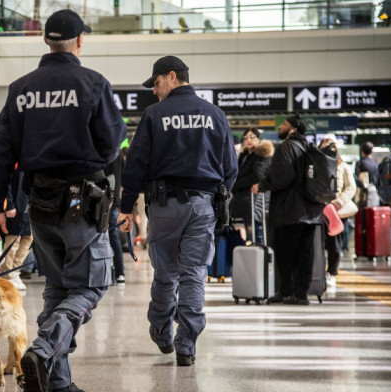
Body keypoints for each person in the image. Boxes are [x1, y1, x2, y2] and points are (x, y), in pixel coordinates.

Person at [0, 9, 126, 392]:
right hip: (82, 203)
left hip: (39, 203)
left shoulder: (21, 89)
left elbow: (0, 152)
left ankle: (58, 384)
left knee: (58, 289)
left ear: (45, 40)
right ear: (79, 41)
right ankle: (43, 350)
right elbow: (113, 142)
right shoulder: (93, 83)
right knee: (92, 286)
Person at [119, 55, 238, 367]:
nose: (155, 91)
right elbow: (231, 168)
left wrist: (126, 207)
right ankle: (187, 344)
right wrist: (219, 196)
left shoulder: (155, 114)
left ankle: (161, 330)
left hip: (164, 205)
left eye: (156, 84)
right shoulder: (215, 114)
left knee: (166, 273)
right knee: (195, 274)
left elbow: (135, 165)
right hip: (204, 206)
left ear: (172, 76)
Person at [252, 114, 323, 305]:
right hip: (312, 211)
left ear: (293, 129)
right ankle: (301, 295)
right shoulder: (309, 148)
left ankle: (285, 291)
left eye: (284, 124)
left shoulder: (287, 147)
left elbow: (282, 176)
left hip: (290, 210)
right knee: (304, 253)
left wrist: (262, 185)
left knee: (285, 252)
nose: (280, 127)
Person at [319, 134, 356, 287]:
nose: (328, 148)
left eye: (332, 145)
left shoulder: (343, 166)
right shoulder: (316, 165)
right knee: (318, 242)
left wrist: (339, 202)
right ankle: (318, 271)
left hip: (337, 211)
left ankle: (332, 272)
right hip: (319, 210)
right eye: (325, 145)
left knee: (335, 244)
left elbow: (351, 187)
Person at [230, 128, 274, 244]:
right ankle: (254, 258)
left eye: (252, 137)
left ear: (258, 139)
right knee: (250, 233)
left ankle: (261, 259)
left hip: (257, 199)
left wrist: (234, 185)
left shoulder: (262, 154)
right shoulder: (244, 155)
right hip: (245, 200)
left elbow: (256, 177)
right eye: (246, 137)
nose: (248, 140)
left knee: (257, 232)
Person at [2, 169, 31, 290]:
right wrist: (9, 204)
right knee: (13, 239)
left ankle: (15, 270)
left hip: (29, 205)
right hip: (15, 205)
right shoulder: (14, 163)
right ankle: (8, 274)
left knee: (28, 238)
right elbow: (5, 183)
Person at [105, 150, 125, 284]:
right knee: (113, 236)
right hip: (114, 199)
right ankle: (120, 273)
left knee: (100, 236)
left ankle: (106, 273)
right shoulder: (119, 154)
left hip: (102, 198)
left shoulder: (104, 152)